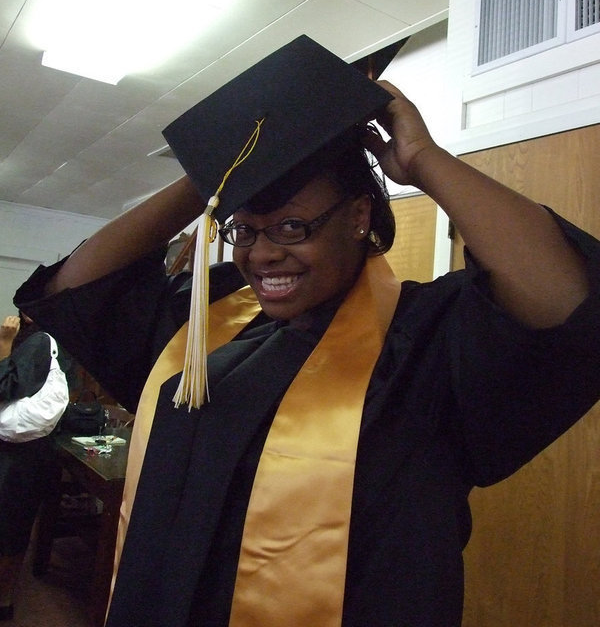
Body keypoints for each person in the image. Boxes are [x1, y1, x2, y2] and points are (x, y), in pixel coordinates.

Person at [14, 36, 600, 627]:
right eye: (245, 230)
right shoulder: (209, 319)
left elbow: (566, 299)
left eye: (291, 227)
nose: (261, 254)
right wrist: (216, 168)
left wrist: (425, 160)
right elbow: (78, 288)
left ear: (358, 216)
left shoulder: (426, 338)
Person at [0, 312, 73, 621]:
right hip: (35, 453)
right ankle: (5, 599)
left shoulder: (38, 343)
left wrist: (4, 342)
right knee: (16, 528)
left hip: (13, 457)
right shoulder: (64, 345)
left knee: (7, 529)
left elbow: (4, 386)